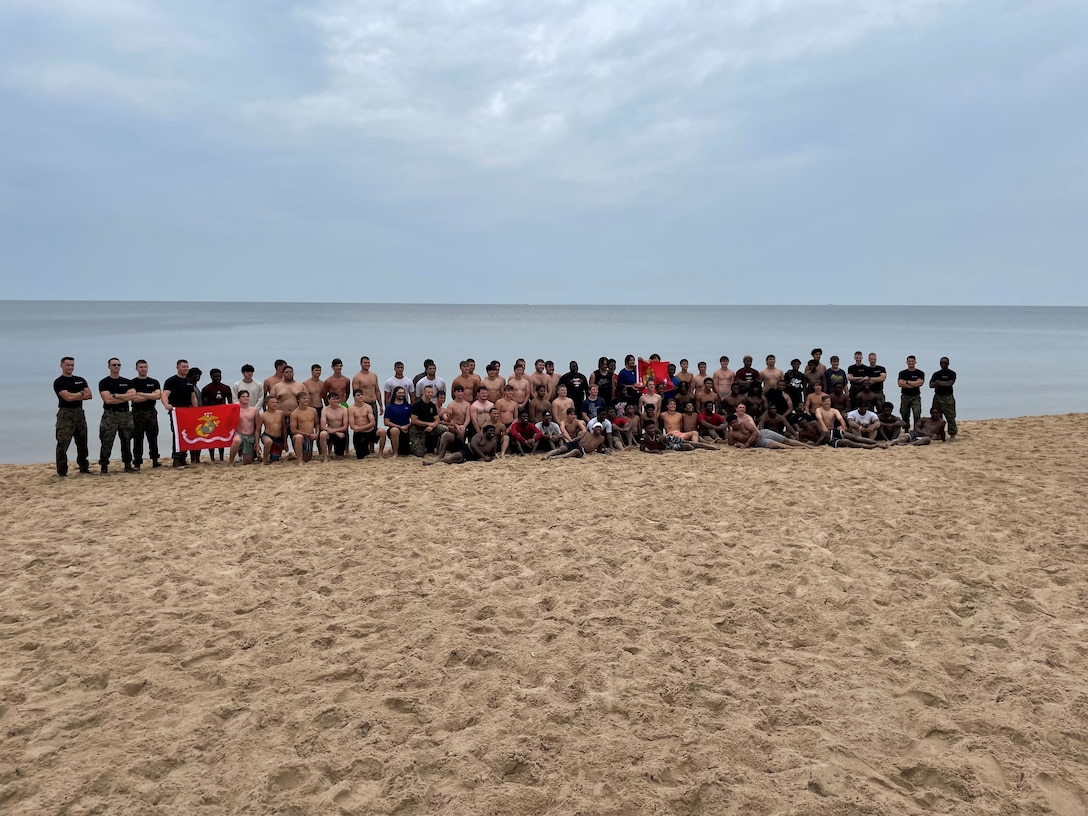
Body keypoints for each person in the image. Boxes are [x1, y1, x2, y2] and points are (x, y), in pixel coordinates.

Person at [97, 357, 136, 474]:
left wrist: (115, 395)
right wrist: (124, 397)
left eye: (118, 365)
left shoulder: (127, 382)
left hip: (125, 414)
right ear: (109, 366)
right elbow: (107, 400)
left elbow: (132, 396)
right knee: (107, 440)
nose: (116, 367)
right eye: (114, 365)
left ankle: (128, 464)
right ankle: (104, 466)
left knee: (127, 439)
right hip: (110, 414)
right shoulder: (104, 382)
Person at [161, 359, 199, 468]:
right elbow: (164, 394)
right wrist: (166, 405)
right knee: (177, 435)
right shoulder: (171, 381)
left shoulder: (189, 381)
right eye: (183, 367)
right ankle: (176, 459)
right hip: (176, 411)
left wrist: (196, 411)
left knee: (186, 435)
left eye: (187, 366)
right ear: (177, 367)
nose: (186, 368)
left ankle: (183, 458)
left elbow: (193, 397)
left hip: (188, 411)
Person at [130, 359, 162, 471]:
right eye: (141, 367)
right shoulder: (132, 383)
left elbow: (158, 396)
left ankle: (155, 460)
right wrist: (150, 395)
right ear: (136, 368)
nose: (143, 369)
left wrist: (141, 394)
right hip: (137, 413)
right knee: (138, 438)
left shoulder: (154, 382)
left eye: (145, 367)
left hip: (151, 412)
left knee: (153, 437)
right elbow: (134, 399)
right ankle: (137, 462)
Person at [425, 423, 499, 465]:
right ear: (485, 432)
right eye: (490, 431)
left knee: (454, 457)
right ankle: (440, 457)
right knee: (447, 435)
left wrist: (490, 458)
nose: (492, 433)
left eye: (493, 431)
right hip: (466, 446)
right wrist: (483, 457)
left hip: (469, 454)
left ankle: (433, 463)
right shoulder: (479, 435)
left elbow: (492, 455)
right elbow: (473, 445)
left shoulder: (493, 443)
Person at [201, 368, 233, 462]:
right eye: (215, 376)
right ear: (211, 377)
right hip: (210, 417)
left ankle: (222, 457)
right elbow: (204, 405)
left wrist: (229, 414)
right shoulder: (206, 389)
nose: (218, 378)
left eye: (219, 376)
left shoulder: (226, 388)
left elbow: (230, 403)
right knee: (211, 435)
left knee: (221, 436)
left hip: (222, 416)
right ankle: (211, 458)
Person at [409, 385, 447, 457]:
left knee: (444, 429)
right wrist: (428, 424)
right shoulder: (417, 405)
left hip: (430, 428)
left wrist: (432, 426)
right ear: (424, 392)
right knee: (419, 454)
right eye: (428, 392)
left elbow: (437, 419)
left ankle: (438, 448)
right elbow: (414, 421)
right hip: (418, 429)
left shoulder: (432, 405)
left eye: (431, 392)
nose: (430, 394)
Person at [290, 391, 325, 463]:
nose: (306, 400)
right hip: (300, 436)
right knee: (299, 437)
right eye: (303, 398)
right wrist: (308, 435)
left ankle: (293, 455)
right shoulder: (294, 413)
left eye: (307, 398)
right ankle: (299, 461)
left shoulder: (313, 410)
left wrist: (317, 433)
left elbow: (317, 424)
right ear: (298, 400)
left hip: (310, 436)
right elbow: (293, 430)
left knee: (307, 458)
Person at [929, 357, 958, 440]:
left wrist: (938, 382)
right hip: (938, 396)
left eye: (945, 363)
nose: (943, 364)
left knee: (950, 416)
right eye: (942, 363)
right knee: (937, 416)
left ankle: (952, 434)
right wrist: (943, 383)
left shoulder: (952, 373)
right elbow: (931, 385)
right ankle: (939, 434)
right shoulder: (936, 374)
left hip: (948, 397)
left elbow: (950, 383)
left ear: (948, 363)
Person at [348, 389, 382, 458]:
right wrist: (358, 429)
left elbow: (372, 423)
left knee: (382, 432)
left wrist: (361, 428)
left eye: (362, 395)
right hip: (359, 434)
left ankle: (380, 454)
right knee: (361, 456)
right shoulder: (351, 408)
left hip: (369, 431)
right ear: (354, 397)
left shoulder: (368, 407)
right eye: (358, 395)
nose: (360, 396)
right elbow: (352, 425)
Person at [228, 390, 260, 465]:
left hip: (250, 436)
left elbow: (257, 427)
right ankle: (231, 461)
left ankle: (251, 456)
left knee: (247, 461)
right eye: (243, 397)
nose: (246, 398)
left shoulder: (254, 410)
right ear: (239, 399)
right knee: (236, 440)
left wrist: (257, 442)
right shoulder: (235, 410)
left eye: (247, 396)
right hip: (239, 434)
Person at [383, 386, 413, 458]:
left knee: (405, 452)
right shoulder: (390, 407)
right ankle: (395, 453)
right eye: (399, 393)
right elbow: (386, 422)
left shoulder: (408, 406)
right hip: (395, 429)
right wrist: (399, 427)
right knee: (394, 430)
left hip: (406, 429)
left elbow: (414, 419)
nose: (401, 394)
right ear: (395, 394)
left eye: (403, 393)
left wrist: (407, 426)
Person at [256, 395, 287, 464]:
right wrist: (257, 444)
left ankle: (263, 458)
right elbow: (258, 430)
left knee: (275, 459)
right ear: (267, 404)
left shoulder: (280, 413)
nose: (275, 404)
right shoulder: (263, 415)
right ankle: (264, 461)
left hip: (278, 438)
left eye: (276, 402)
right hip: (267, 436)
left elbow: (284, 428)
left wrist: (285, 442)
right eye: (272, 402)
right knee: (268, 442)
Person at [898, 355, 925, 432]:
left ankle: (916, 430)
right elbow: (900, 384)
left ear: (915, 362)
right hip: (905, 396)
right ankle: (906, 428)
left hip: (915, 396)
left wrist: (907, 382)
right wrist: (914, 383)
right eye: (909, 361)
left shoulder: (920, 373)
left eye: (912, 361)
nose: (911, 363)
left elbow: (920, 383)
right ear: (906, 362)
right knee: (904, 413)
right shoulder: (902, 373)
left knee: (917, 413)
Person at [352, 356, 383, 422]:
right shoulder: (357, 377)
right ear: (361, 364)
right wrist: (357, 407)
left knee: (374, 424)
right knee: (363, 424)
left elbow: (377, 391)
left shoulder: (374, 375)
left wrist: (380, 405)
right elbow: (355, 393)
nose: (367, 364)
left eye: (368, 362)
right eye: (365, 363)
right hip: (363, 404)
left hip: (373, 404)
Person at [321, 391, 350, 458]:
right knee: (323, 434)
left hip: (341, 432)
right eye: (333, 399)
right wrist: (335, 432)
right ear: (328, 400)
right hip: (330, 432)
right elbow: (322, 426)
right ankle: (325, 456)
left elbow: (345, 427)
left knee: (339, 457)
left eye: (337, 399)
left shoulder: (344, 410)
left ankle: (338, 453)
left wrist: (336, 432)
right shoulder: (325, 410)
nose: (336, 401)